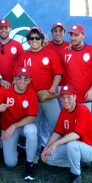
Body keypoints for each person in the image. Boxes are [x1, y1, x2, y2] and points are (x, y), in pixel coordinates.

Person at [14, 27, 64, 161]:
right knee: (34, 128)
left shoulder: (50, 54)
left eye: (37, 38)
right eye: (31, 38)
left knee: (57, 124)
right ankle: (34, 155)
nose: (34, 40)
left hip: (48, 96)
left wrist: (53, 88)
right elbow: (16, 77)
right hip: (32, 99)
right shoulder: (23, 56)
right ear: (28, 40)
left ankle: (58, 153)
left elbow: (58, 74)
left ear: (42, 40)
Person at [41, 85, 92, 183]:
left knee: (72, 144)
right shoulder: (64, 111)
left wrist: (55, 144)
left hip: (91, 148)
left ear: (75, 97)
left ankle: (76, 176)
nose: (66, 100)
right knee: (49, 157)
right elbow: (57, 132)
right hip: (75, 147)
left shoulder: (82, 110)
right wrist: (46, 148)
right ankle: (78, 163)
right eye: (63, 98)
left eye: (69, 97)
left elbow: (76, 135)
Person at [0, 67, 38, 181]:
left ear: (30, 80)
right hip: (8, 127)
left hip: (22, 126)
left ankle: (29, 164)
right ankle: (19, 148)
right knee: (10, 163)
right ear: (14, 79)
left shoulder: (31, 93)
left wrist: (14, 125)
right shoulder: (5, 89)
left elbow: (31, 117)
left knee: (32, 131)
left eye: (26, 79)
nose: (22, 81)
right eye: (19, 78)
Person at [0, 18, 24, 150]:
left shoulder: (17, 46)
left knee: (12, 115)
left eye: (6, 28)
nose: (3, 30)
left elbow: (22, 65)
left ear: (10, 29)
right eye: (1, 28)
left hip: (12, 87)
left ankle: (14, 144)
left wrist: (16, 81)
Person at [59, 24, 92, 111]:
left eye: (76, 35)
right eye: (71, 35)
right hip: (69, 98)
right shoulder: (64, 52)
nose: (73, 38)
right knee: (69, 123)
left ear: (83, 35)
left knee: (85, 123)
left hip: (85, 97)